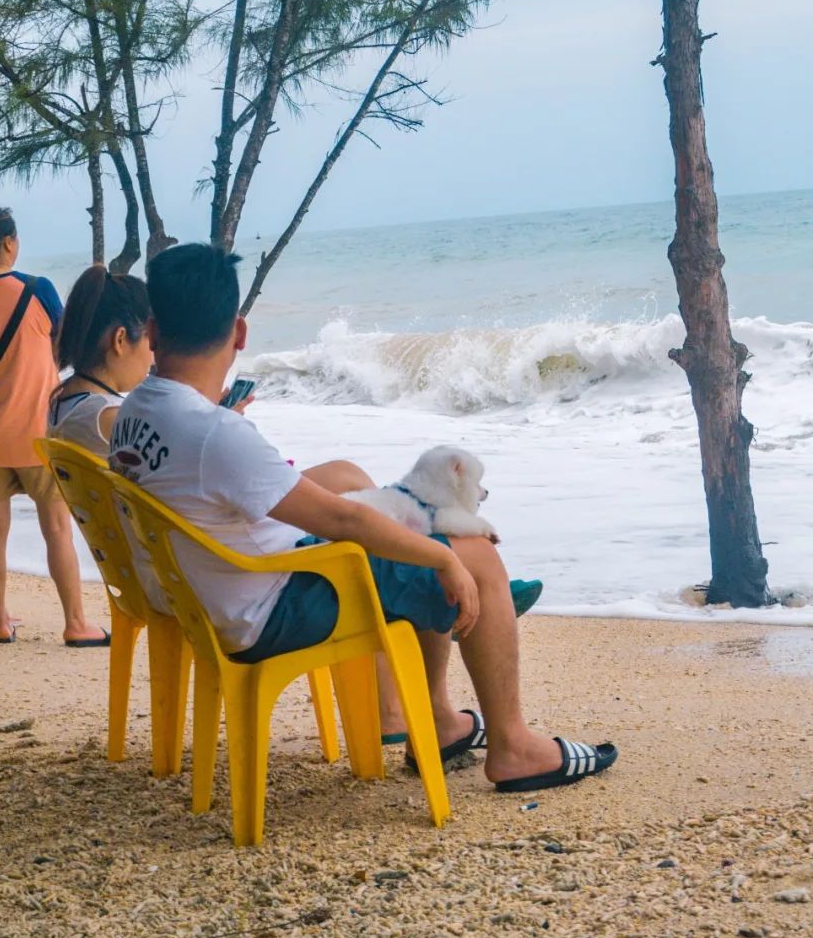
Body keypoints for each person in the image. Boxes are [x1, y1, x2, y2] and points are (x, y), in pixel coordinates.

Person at [110, 243, 617, 794]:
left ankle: (442, 720)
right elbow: (342, 523)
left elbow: (270, 490)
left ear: (154, 332)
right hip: (266, 609)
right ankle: (514, 746)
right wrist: (443, 557)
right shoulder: (215, 434)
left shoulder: (137, 410)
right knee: (473, 556)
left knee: (353, 480)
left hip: (209, 588)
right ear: (239, 333)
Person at [0, 205, 108, 647]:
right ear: (10, 243)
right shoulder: (38, 289)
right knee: (56, 528)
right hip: (39, 434)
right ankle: (76, 623)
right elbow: (63, 343)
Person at [48, 266, 153, 456]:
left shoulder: (61, 399)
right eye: (150, 339)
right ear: (120, 339)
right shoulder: (110, 418)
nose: (153, 357)